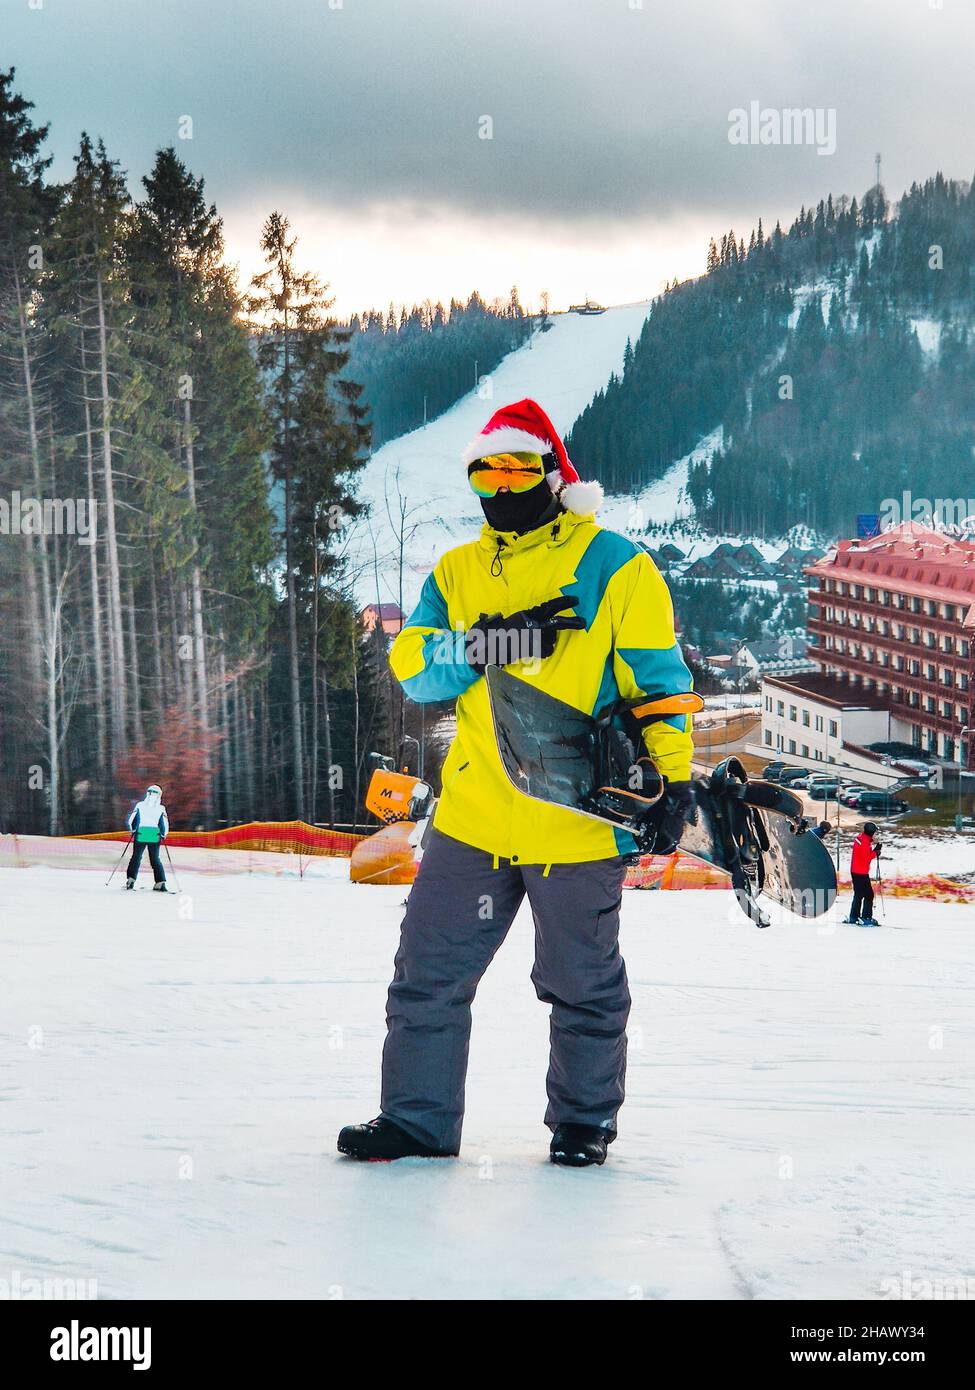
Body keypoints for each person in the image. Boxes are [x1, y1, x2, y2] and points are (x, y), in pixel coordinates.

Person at [338, 398, 695, 1167]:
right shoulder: (457, 571)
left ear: (551, 475)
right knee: (427, 974)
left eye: (516, 469)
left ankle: (581, 1124)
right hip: (473, 817)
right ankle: (415, 1122)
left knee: (579, 984)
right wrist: (492, 641)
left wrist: (669, 782)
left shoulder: (617, 565)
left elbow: (658, 687)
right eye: (484, 471)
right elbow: (418, 671)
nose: (500, 486)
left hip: (575, 817)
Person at [125, 784, 170, 892]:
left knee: (136, 857)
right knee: (155, 859)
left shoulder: (140, 805)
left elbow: (132, 820)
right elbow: (164, 823)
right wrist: (163, 834)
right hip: (154, 834)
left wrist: (133, 830)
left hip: (141, 833)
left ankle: (131, 880)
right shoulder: (161, 808)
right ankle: (160, 882)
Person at [845, 821, 881, 924]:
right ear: (871, 832)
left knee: (859, 894)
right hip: (861, 872)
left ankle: (854, 916)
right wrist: (876, 852)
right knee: (869, 895)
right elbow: (867, 858)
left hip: (856, 870)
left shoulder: (861, 838)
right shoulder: (865, 842)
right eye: (874, 832)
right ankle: (866, 917)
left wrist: (874, 850)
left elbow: (864, 854)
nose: (875, 834)